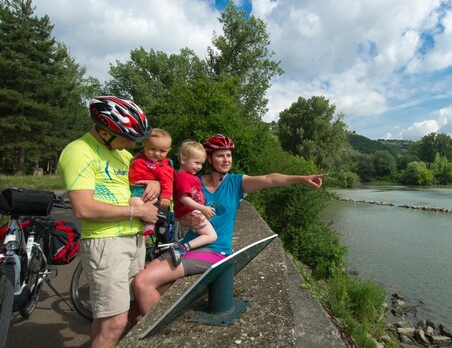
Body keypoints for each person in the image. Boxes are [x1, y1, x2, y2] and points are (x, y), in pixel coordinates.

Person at [132, 133, 326, 317]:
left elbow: (269, 179)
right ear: (209, 159)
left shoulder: (236, 183)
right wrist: (184, 219)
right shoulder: (194, 181)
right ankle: (147, 320)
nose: (226, 160)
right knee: (139, 277)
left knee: (143, 282)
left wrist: (301, 178)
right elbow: (180, 214)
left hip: (215, 251)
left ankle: (156, 334)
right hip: (188, 246)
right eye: (220, 156)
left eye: (228, 156)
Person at [58, 96, 159, 348]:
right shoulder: (79, 151)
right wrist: (136, 213)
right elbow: (82, 207)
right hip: (106, 242)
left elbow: (130, 187)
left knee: (126, 312)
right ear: (104, 132)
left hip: (133, 239)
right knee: (113, 323)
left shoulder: (121, 153)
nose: (133, 145)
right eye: (127, 138)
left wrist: (152, 184)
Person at [168, 141, 217, 267]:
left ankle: (185, 248)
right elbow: (184, 198)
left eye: (201, 163)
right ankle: (182, 248)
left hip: (191, 213)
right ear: (184, 160)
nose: (199, 167)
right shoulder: (183, 177)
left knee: (206, 233)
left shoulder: (189, 176)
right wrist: (203, 208)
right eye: (196, 163)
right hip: (190, 212)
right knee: (211, 236)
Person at [128, 128, 174, 236]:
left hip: (146, 193)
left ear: (168, 150)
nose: (157, 154)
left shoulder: (163, 166)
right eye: (152, 149)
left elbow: (167, 181)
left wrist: (166, 196)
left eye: (162, 151)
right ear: (144, 146)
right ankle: (146, 230)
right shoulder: (139, 158)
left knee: (134, 202)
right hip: (136, 189)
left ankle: (149, 224)